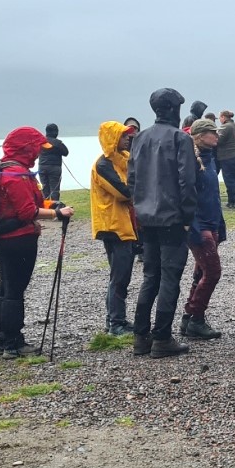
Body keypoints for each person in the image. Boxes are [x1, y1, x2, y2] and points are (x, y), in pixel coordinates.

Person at [129, 89, 198, 359]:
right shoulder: (180, 138)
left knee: (151, 277)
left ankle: (141, 335)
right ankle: (162, 337)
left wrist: (139, 211)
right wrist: (187, 217)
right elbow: (186, 180)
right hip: (171, 218)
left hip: (146, 217)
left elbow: (132, 179)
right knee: (169, 277)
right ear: (173, 109)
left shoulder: (141, 138)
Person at [0, 127, 70, 359]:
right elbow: (27, 211)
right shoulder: (17, 175)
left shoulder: (3, 170)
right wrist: (58, 214)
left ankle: (2, 339)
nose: (37, 154)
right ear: (26, 148)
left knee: (5, 287)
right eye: (36, 148)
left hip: (3, 237)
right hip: (19, 239)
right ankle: (13, 343)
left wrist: (50, 207)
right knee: (15, 289)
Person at [91, 121, 140, 337]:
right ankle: (115, 323)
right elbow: (124, 192)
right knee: (119, 276)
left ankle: (115, 319)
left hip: (125, 223)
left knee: (123, 274)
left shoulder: (123, 160)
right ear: (112, 138)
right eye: (123, 135)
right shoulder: (103, 165)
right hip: (112, 225)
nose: (128, 138)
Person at [182, 119, 226, 339]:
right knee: (213, 272)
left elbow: (213, 195)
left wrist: (220, 224)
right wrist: (195, 227)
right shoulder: (190, 162)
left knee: (201, 271)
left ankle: (188, 319)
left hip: (212, 222)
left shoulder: (210, 159)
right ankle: (196, 318)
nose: (217, 136)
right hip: (200, 226)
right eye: (212, 133)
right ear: (199, 136)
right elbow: (187, 196)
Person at [216, 110, 235, 208]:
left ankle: (234, 200)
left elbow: (218, 140)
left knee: (229, 180)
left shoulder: (225, 127)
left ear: (223, 117)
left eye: (220, 117)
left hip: (227, 156)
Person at [39, 123, 69, 202]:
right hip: (54, 168)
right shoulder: (58, 143)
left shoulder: (40, 142)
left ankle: (45, 207)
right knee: (55, 189)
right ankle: (55, 208)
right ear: (55, 132)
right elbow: (66, 152)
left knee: (44, 188)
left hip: (42, 167)